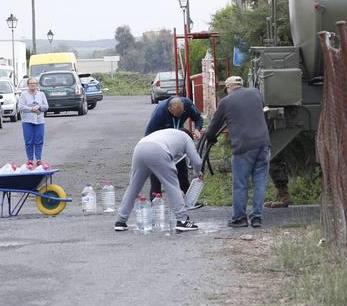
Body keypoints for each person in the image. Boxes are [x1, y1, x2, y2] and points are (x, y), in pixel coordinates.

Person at [200, 74, 271, 228]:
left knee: (240, 183)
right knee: (260, 183)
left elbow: (212, 128)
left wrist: (210, 137)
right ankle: (257, 218)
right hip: (263, 144)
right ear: (241, 84)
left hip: (243, 147)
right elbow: (264, 113)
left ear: (228, 87)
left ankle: (239, 218)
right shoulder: (255, 93)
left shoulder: (226, 102)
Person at [113, 128, 203, 232]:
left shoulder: (170, 133)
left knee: (133, 186)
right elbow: (197, 161)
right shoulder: (187, 139)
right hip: (157, 150)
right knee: (171, 185)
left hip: (140, 147)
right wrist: (197, 173)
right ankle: (182, 220)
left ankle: (120, 221)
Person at [144, 96, 203, 201]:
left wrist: (197, 129)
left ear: (184, 108)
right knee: (157, 170)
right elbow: (148, 135)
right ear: (169, 110)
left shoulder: (188, 105)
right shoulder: (159, 112)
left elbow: (198, 118)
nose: (178, 117)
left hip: (176, 142)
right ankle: (155, 199)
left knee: (181, 168)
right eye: (176, 115)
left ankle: (187, 197)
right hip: (160, 143)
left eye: (181, 115)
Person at [15, 77, 49, 167]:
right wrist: (31, 109)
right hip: (27, 121)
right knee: (29, 141)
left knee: (39, 140)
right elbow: (20, 107)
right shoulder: (23, 95)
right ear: (28, 85)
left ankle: (38, 159)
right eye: (31, 84)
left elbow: (46, 106)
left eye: (34, 83)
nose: (33, 85)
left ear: (37, 85)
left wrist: (39, 107)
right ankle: (30, 159)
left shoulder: (41, 94)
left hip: (39, 121)